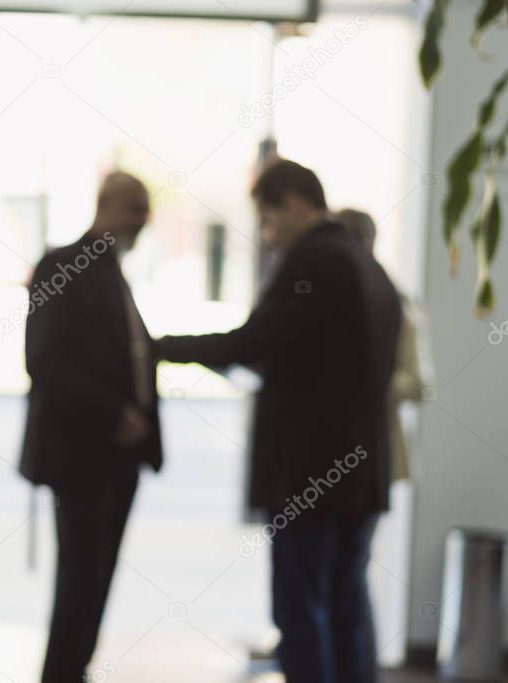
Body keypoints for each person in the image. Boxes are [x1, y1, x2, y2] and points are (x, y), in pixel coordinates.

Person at [154, 160, 401, 683]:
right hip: (360, 475)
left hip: (312, 474)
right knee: (345, 608)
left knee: (301, 610)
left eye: (267, 223)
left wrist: (159, 348)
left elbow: (252, 341)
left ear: (290, 204)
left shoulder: (315, 259)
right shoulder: (367, 263)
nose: (268, 238)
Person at [19, 170, 164, 683]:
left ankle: (73, 670)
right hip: (82, 457)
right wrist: (115, 413)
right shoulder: (63, 265)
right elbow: (45, 361)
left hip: (119, 459)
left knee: (96, 580)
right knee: (80, 580)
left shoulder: (112, 270)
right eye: (136, 207)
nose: (145, 219)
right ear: (106, 206)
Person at [336, 208, 432, 484]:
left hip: (370, 450)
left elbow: (417, 383)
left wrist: (358, 386)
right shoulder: (319, 297)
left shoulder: (394, 301)